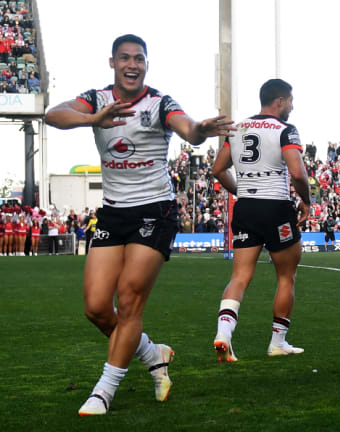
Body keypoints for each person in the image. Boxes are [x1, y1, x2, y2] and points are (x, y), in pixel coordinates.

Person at [45, 34, 235, 416]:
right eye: (125, 58)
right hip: (114, 212)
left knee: (129, 300)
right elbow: (52, 114)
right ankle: (153, 354)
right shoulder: (97, 99)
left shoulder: (159, 102)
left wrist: (200, 130)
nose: (133, 65)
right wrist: (92, 120)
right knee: (98, 308)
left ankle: (104, 390)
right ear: (112, 63)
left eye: (139, 59)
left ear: (146, 65)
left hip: (155, 210)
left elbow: (187, 128)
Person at [211, 78, 311, 362]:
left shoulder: (239, 129)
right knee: (286, 277)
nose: (292, 106)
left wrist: (239, 190)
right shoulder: (285, 130)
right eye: (290, 100)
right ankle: (277, 342)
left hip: (246, 208)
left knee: (239, 277)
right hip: (276, 207)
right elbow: (297, 172)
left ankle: (224, 334)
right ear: (279, 101)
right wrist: (307, 200)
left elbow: (218, 169)